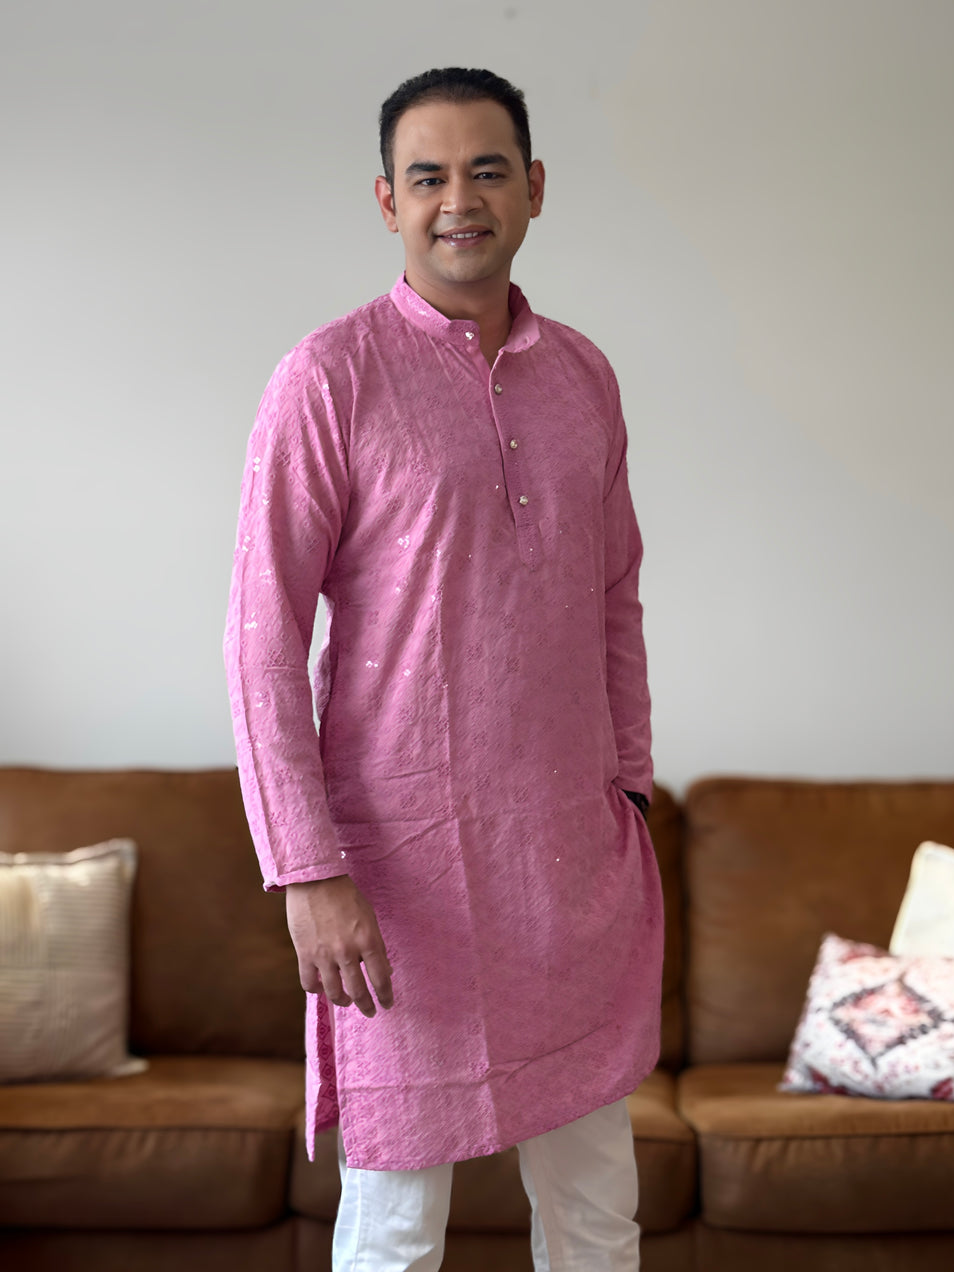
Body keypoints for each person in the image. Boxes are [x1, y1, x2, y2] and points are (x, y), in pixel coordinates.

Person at [224, 66, 663, 1272]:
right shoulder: (329, 379)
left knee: (593, 1207)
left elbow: (613, 589)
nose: (457, 199)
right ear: (386, 201)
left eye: (485, 170)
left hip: (572, 865)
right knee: (396, 1228)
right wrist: (306, 869)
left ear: (533, 188)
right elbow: (261, 633)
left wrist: (628, 784)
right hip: (401, 877)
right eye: (428, 176)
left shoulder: (583, 377)